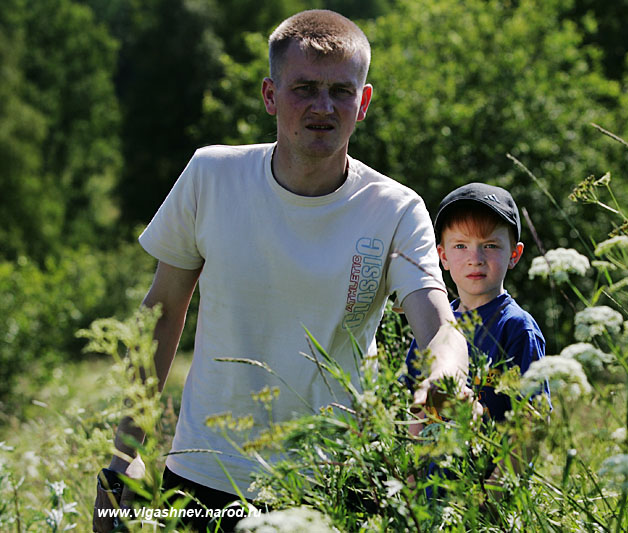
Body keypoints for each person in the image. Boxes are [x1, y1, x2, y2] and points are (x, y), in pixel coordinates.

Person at [93, 10, 469, 533]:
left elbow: (440, 328)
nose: (322, 106)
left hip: (334, 481)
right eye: (305, 88)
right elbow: (163, 311)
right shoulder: (210, 175)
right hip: (204, 473)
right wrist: (124, 452)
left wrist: (445, 374)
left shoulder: (396, 209)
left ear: (363, 104)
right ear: (270, 95)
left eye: (341, 91)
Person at [405, 183, 548, 497]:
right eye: (460, 246)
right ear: (441, 256)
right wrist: (407, 486)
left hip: (484, 499)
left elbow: (531, 423)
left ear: (515, 254)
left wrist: (491, 496)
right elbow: (409, 411)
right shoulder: (432, 327)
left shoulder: (516, 328)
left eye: (490, 246)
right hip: (426, 498)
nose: (475, 258)